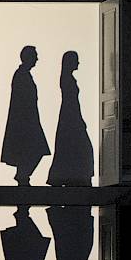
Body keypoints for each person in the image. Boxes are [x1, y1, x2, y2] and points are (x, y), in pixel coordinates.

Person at [1, 45, 50, 186]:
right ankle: (22, 175)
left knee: (31, 149)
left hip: (28, 119)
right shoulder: (21, 75)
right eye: (35, 56)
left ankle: (23, 175)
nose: (37, 59)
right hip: (25, 120)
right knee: (34, 149)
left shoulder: (24, 74)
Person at [47, 51, 94, 186]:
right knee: (82, 148)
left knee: (73, 148)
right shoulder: (67, 79)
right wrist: (78, 119)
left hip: (69, 116)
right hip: (70, 116)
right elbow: (72, 102)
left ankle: (76, 177)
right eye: (76, 60)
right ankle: (78, 177)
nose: (78, 63)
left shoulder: (68, 78)